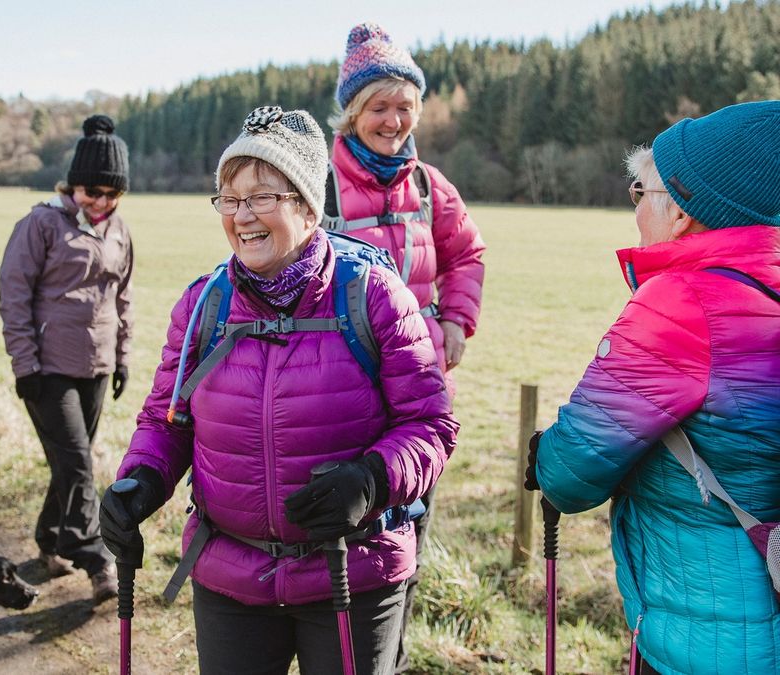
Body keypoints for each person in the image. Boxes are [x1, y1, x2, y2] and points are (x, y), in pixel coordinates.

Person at [99, 106, 458, 673]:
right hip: (230, 578)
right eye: (231, 199)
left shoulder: (376, 298)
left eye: (263, 196)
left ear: (309, 208)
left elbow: (431, 426)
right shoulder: (203, 306)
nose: (243, 216)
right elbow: (166, 421)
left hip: (354, 571)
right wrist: (142, 481)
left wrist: (371, 480)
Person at [528, 100, 780, 675]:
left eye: (641, 194)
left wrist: (546, 456)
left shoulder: (682, 303)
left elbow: (571, 475)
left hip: (708, 633)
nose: (636, 213)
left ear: (684, 210)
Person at [327, 24, 487, 667]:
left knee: (411, 532)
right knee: (351, 530)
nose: (392, 121)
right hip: (344, 388)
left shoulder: (428, 184)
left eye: (403, 107)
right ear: (353, 113)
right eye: (378, 107)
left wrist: (456, 321)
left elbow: (467, 252)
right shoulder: (323, 180)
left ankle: (388, 653)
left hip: (420, 390)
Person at [0, 114, 133, 604]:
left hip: (95, 367)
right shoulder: (40, 224)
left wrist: (121, 358)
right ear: (74, 185)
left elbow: (123, 297)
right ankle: (94, 555)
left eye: (111, 194)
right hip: (48, 369)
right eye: (92, 191)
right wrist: (24, 366)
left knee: (67, 463)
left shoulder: (119, 231)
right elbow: (14, 295)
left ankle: (49, 540)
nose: (100, 202)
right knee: (78, 464)